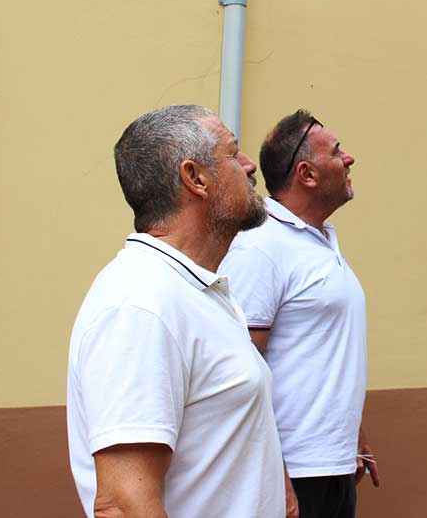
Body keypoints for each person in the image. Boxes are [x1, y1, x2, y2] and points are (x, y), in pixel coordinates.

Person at [67, 104, 285, 518]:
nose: (249, 165)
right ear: (195, 178)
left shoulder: (198, 289)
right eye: (233, 153)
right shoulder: (141, 303)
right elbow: (122, 504)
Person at [219, 110, 379, 518]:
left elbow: (323, 352)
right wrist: (279, 476)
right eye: (337, 151)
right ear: (307, 174)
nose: (349, 159)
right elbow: (241, 371)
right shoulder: (260, 246)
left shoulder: (320, 241)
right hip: (293, 474)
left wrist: (351, 435)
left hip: (333, 464)